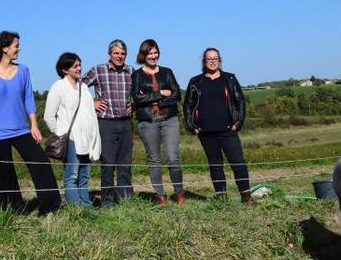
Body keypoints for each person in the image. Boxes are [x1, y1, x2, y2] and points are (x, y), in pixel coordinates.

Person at [0, 31, 61, 215]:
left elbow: (29, 100)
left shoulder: (23, 71)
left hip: (22, 129)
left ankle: (50, 206)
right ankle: (14, 210)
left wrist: (34, 125)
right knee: (4, 172)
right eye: (16, 45)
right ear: (4, 48)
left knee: (41, 163)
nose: (19, 48)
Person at [183, 48, 252, 203]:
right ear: (204, 61)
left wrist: (238, 123)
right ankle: (221, 199)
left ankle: (246, 197)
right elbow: (187, 104)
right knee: (215, 166)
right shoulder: (195, 82)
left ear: (219, 60)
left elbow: (240, 101)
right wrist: (191, 126)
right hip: (206, 132)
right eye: (209, 58)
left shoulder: (230, 79)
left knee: (238, 164)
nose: (212, 61)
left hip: (228, 130)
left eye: (215, 58)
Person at [131, 39, 185, 205]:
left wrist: (155, 100)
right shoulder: (137, 75)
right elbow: (137, 98)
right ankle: (160, 196)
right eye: (150, 53)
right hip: (148, 121)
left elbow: (176, 95)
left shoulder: (167, 72)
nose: (153, 56)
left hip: (169, 119)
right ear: (143, 55)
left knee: (173, 157)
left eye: (155, 53)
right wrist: (161, 92)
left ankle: (179, 193)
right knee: (154, 159)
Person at [44, 52, 101, 207]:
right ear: (64, 69)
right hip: (71, 139)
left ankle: (86, 206)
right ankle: (76, 209)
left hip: (87, 138)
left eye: (79, 65)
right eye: (75, 66)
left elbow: (89, 112)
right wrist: (61, 134)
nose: (79, 68)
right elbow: (48, 116)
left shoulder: (83, 86)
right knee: (72, 175)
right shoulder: (58, 87)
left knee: (84, 175)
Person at [82, 39, 134, 207]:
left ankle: (125, 200)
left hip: (126, 123)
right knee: (108, 163)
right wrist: (92, 103)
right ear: (109, 54)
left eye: (122, 53)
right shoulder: (98, 70)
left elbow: (141, 93)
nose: (120, 56)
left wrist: (136, 104)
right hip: (106, 123)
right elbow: (77, 86)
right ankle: (107, 202)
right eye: (116, 53)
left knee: (125, 163)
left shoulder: (131, 71)